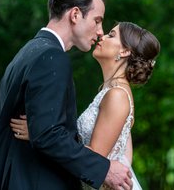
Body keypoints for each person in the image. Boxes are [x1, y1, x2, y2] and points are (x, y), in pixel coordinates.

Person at [0, 0, 133, 190]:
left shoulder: (26, 53)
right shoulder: (53, 57)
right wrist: (104, 169)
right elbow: (47, 134)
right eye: (97, 21)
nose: (100, 32)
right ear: (75, 15)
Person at [10, 22, 161, 190]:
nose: (102, 36)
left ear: (125, 51)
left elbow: (94, 159)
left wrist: (41, 132)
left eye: (111, 35)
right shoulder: (110, 91)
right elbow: (126, 157)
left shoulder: (117, 95)